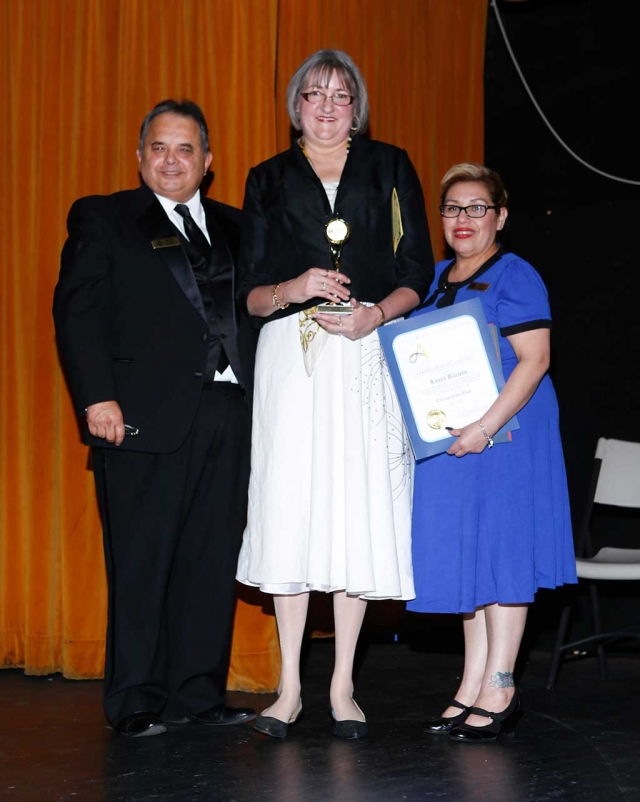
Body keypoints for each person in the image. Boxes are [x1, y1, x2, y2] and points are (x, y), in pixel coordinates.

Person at [235, 49, 434, 739]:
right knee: (290, 506)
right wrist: (293, 290)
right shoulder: (265, 179)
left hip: (367, 351)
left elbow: (419, 271)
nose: (326, 106)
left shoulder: (391, 167)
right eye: (313, 94)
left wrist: (376, 314)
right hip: (292, 358)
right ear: (295, 108)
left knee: (356, 507)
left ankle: (344, 684)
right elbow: (249, 294)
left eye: (341, 95)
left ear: (358, 107)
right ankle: (288, 688)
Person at [53, 99, 258, 738]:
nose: (172, 160)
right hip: (138, 420)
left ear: (208, 161)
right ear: (140, 158)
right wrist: (96, 398)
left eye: (186, 149)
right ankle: (135, 699)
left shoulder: (239, 226)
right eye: (159, 148)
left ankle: (198, 693)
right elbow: (77, 312)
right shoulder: (104, 217)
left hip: (229, 414)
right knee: (141, 563)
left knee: (210, 560)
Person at [408, 163, 577, 742]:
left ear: (500, 217)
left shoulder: (516, 274)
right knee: (472, 557)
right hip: (454, 442)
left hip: (508, 434)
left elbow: (535, 361)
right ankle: (472, 679)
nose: (463, 219)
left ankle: (501, 682)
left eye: (477, 207)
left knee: (503, 551)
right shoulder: (432, 279)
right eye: (453, 208)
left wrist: (484, 424)